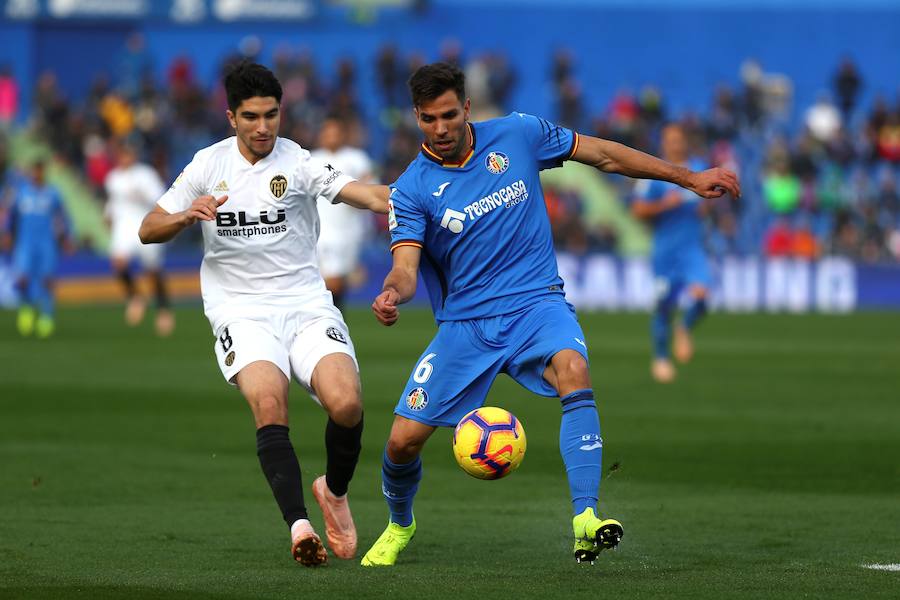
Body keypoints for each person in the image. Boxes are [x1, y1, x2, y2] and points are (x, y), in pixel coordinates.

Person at [363, 63, 740, 566]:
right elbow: (405, 266)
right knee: (402, 443)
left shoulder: (518, 133)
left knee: (574, 370)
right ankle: (399, 524)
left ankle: (586, 519)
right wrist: (392, 292)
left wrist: (687, 178)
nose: (441, 128)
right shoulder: (410, 190)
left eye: (449, 115)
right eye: (429, 120)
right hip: (466, 325)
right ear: (416, 117)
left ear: (467, 107)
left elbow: (603, 153)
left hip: (537, 301)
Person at [138, 61, 390, 567]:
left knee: (347, 406)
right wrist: (188, 214)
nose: (263, 127)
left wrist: (413, 196)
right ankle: (299, 527)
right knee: (270, 406)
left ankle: (334, 493)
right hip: (240, 313)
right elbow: (148, 228)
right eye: (251, 116)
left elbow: (366, 194)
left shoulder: (299, 163)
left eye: (271, 115)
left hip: (304, 303)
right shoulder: (207, 166)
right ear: (231, 116)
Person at [631, 124, 718, 383]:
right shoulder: (653, 173)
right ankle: (660, 358)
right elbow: (637, 210)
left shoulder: (698, 168)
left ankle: (684, 328)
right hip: (665, 252)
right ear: (663, 143)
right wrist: (664, 205)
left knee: (702, 293)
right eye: (670, 140)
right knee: (664, 307)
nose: (675, 144)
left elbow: (707, 202)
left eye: (679, 139)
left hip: (691, 248)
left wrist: (706, 207)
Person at [104, 137, 175, 335]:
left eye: (128, 153)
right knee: (118, 263)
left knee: (153, 271)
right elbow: (112, 202)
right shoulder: (113, 177)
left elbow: (161, 198)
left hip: (145, 222)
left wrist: (142, 195)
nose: (125, 158)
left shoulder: (145, 175)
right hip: (123, 225)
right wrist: (108, 217)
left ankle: (164, 310)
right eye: (122, 154)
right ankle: (136, 296)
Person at [312, 116, 375, 310]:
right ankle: (331, 327)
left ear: (342, 134)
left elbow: (370, 188)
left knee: (338, 285)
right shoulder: (311, 159)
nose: (331, 136)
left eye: (335, 132)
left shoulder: (356, 158)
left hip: (349, 231)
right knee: (330, 283)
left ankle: (332, 326)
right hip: (321, 231)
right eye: (327, 131)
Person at [4, 160, 71, 338]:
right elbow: (12, 216)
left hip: (46, 243)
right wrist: (7, 234)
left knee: (47, 280)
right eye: (34, 171)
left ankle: (46, 317)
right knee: (23, 278)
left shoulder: (52, 193)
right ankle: (26, 311)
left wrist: (67, 236)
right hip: (25, 243)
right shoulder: (22, 193)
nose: (36, 175)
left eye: (39, 171)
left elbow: (63, 216)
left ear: (43, 172)